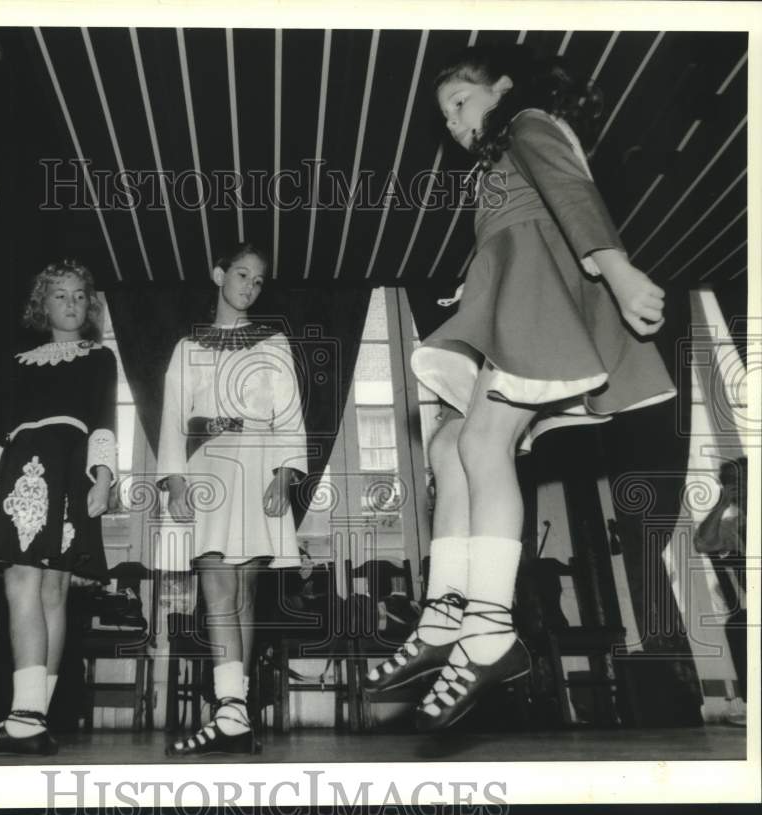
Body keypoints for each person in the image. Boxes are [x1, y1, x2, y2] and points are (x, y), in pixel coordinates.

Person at [363, 46, 676, 730]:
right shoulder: (494, 163)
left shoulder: (530, 120)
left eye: (460, 101)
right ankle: (445, 609)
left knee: (480, 441)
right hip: (512, 299)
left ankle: (488, 626)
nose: (451, 121)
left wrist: (618, 273)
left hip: (539, 304)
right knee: (449, 447)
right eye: (443, 112)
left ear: (501, 87)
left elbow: (570, 194)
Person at [0, 259, 118, 756]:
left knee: (52, 587)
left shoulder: (98, 356)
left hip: (70, 467)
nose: (72, 304)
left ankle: (26, 718)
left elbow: (105, 419)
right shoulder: (17, 363)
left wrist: (105, 477)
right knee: (26, 580)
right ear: (41, 304)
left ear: (90, 305)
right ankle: (32, 718)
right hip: (22, 464)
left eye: (80, 295)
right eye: (60, 295)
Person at [157, 243, 307, 756]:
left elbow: (289, 415)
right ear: (219, 274)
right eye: (242, 274)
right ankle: (230, 711)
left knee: (244, 595)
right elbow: (174, 416)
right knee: (218, 587)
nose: (249, 286)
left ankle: (232, 713)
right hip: (207, 469)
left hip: (258, 465)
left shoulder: (274, 341)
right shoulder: (187, 346)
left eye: (259, 280)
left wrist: (285, 475)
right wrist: (174, 480)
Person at [695, 456, 747, 726]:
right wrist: (722, 504)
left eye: (745, 480)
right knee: (740, 625)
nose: (742, 487)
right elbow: (703, 543)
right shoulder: (731, 525)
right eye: (733, 483)